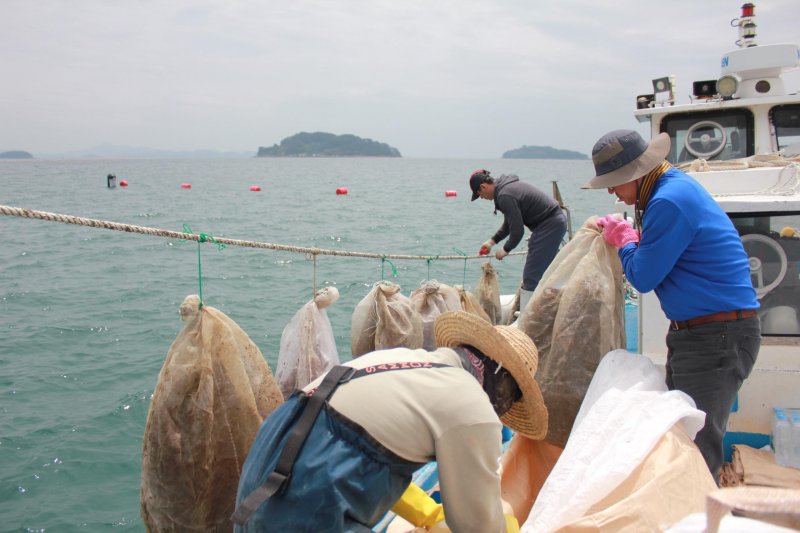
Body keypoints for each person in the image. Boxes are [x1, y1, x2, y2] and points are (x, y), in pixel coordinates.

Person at [233, 310, 547, 532]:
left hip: (258, 489)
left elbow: (360, 455)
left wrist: (430, 513)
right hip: (305, 508)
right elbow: (478, 528)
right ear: (501, 380)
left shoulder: (405, 362)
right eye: (511, 398)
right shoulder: (471, 404)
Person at [583, 129, 761, 483]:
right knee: (680, 432)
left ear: (635, 173)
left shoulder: (668, 201)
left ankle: (698, 516)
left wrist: (626, 241)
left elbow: (644, 277)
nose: (611, 191)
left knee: (696, 445)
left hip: (717, 337)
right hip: (699, 334)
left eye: (615, 182)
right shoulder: (668, 189)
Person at [470, 169, 567, 312]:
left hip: (549, 224)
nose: (482, 198)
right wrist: (492, 241)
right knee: (540, 271)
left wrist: (505, 249)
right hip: (552, 222)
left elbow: (518, 231)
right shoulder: (505, 189)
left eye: (480, 195)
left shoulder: (504, 195)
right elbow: (510, 223)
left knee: (531, 275)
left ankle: (528, 318)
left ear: (483, 187)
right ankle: (544, 309)